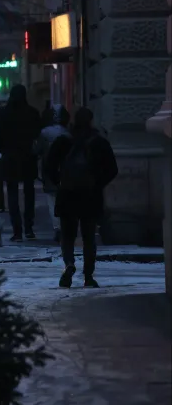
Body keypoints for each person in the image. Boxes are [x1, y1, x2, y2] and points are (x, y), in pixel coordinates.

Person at [44, 106, 118, 288]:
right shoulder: (98, 142)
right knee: (89, 237)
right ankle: (88, 276)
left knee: (67, 235)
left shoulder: (63, 141)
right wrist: (97, 183)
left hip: (67, 194)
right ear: (91, 120)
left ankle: (69, 264)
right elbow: (112, 169)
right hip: (90, 196)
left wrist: (59, 182)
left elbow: (49, 165)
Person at [0, 84, 42, 241]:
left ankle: (17, 230)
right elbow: (38, 134)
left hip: (10, 157)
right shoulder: (32, 113)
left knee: (12, 194)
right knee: (29, 193)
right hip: (27, 157)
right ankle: (29, 228)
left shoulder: (2, 113)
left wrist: (2, 149)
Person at [35, 105, 71, 242]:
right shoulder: (69, 133)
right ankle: (66, 225)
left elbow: (36, 150)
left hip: (49, 167)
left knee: (51, 199)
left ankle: (57, 227)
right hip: (66, 169)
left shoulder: (44, 133)